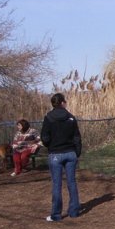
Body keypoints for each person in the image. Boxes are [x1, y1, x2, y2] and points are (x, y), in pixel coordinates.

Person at [40, 93, 82, 221]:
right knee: (72, 182)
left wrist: (50, 145)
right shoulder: (71, 118)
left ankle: (56, 215)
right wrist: (77, 152)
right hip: (70, 153)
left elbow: (45, 137)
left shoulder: (48, 118)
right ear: (62, 103)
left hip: (55, 154)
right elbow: (77, 137)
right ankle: (74, 211)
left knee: (57, 184)